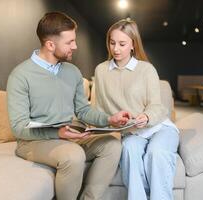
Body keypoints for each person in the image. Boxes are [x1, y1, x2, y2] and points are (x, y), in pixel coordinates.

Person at [7, 12, 131, 200]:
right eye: (69, 42)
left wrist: (109, 120)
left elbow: (82, 110)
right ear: (50, 45)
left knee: (112, 145)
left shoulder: (72, 71)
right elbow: (18, 128)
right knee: (73, 156)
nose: (75, 46)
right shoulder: (20, 75)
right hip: (32, 142)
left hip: (67, 136)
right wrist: (57, 133)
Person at [93, 19, 179, 200]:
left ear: (133, 44)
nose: (116, 49)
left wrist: (147, 117)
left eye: (122, 44)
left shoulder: (146, 69)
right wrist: (111, 120)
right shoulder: (101, 71)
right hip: (131, 133)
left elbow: (157, 106)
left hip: (158, 127)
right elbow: (99, 110)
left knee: (157, 153)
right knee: (130, 150)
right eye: (112, 42)